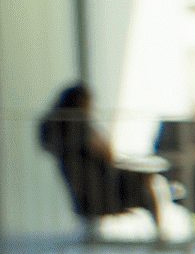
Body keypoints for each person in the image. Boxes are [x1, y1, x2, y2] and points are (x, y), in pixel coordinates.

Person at [37, 82, 161, 234]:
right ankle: (160, 235)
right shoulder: (80, 127)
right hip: (104, 189)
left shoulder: (56, 130)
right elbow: (107, 153)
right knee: (146, 179)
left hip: (89, 192)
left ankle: (159, 235)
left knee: (144, 178)